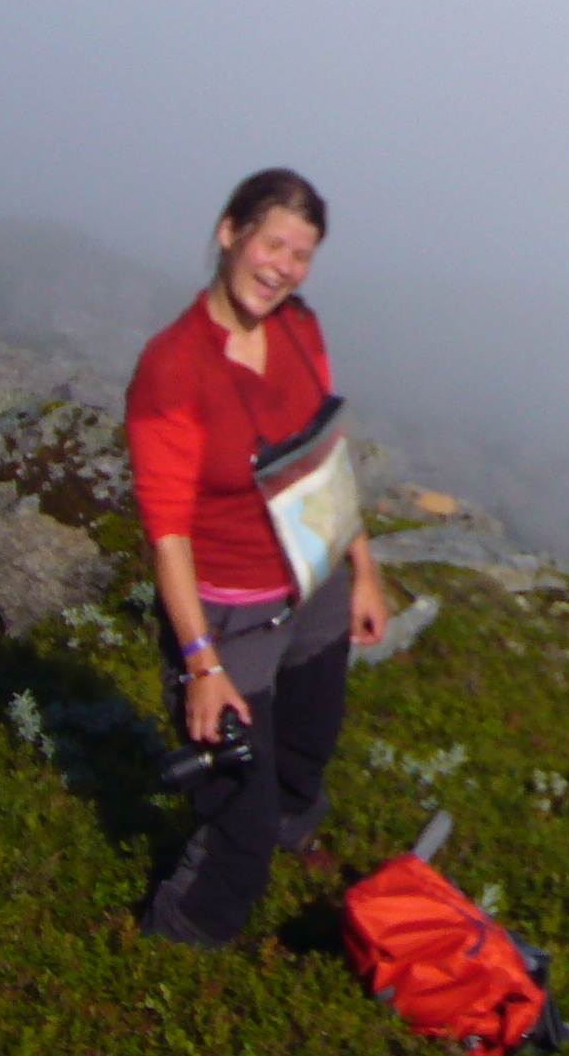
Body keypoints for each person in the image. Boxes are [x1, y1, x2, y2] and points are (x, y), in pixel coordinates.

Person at [126, 167, 388, 947]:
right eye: (272, 244)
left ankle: (294, 830)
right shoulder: (174, 366)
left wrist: (364, 569)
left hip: (313, 582)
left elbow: (323, 456)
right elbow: (168, 532)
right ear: (229, 232)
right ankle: (177, 942)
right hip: (229, 614)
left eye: (301, 255)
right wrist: (200, 663)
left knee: (308, 743)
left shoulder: (301, 330)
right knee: (235, 826)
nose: (283, 268)